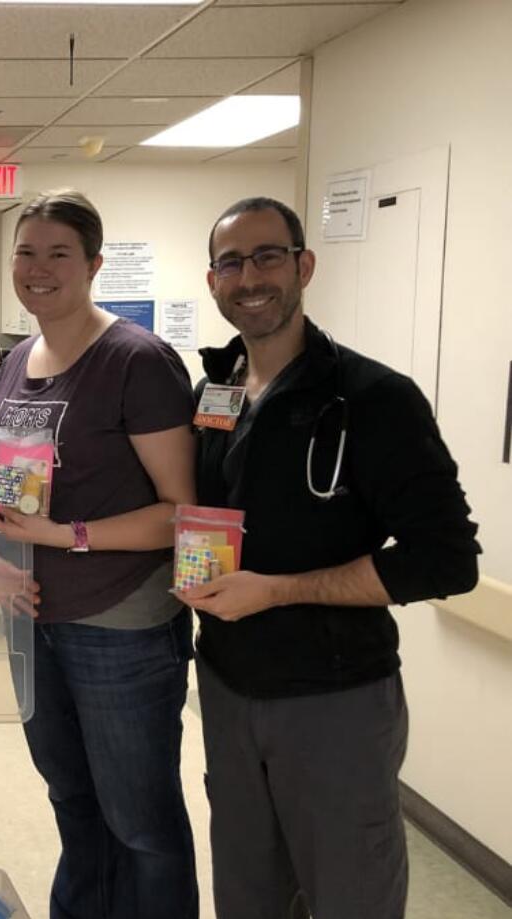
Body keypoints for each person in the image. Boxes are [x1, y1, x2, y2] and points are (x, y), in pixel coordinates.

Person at [179, 197, 481, 919]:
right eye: (231, 262)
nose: (250, 277)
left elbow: (447, 560)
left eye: (268, 256)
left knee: (351, 894)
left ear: (303, 265)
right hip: (226, 689)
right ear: (213, 280)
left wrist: (277, 591)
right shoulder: (214, 393)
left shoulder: (374, 399)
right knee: (247, 896)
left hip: (334, 701)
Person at [0, 189, 198, 919]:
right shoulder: (18, 359)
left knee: (140, 822)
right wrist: (3, 540)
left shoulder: (136, 360)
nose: (38, 268)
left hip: (121, 624)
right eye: (25, 251)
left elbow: (181, 513)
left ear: (94, 264)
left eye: (58, 253)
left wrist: (64, 536)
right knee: (73, 801)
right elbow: (20, 482)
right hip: (37, 619)